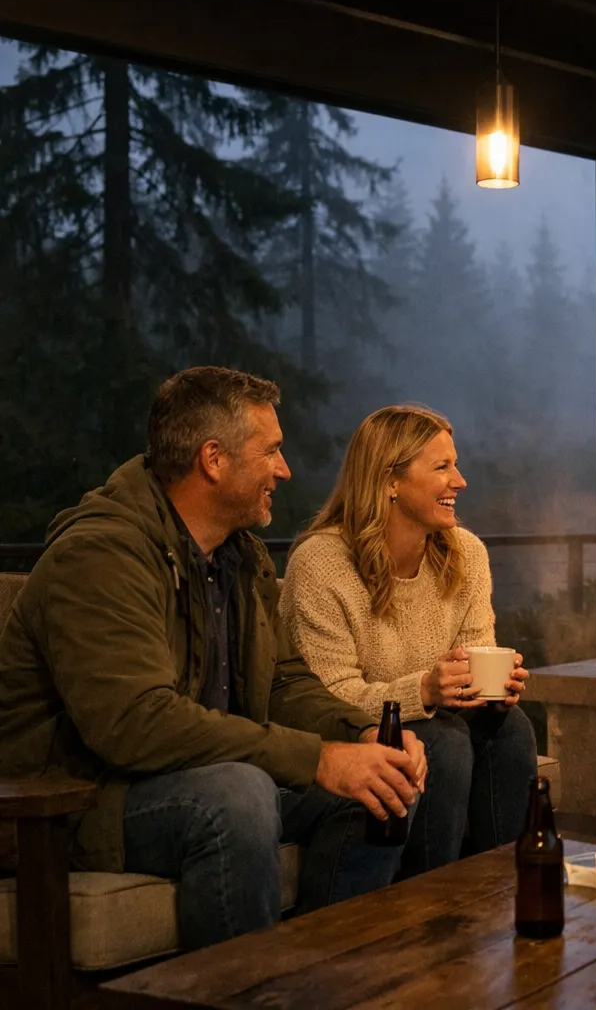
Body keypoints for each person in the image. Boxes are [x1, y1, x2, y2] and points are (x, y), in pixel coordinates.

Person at [0, 367, 427, 950]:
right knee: (237, 795)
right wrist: (318, 757)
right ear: (213, 459)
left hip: (196, 775)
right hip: (75, 799)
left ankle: (327, 973)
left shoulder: (239, 557)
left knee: (383, 783)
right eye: (271, 451)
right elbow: (136, 724)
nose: (284, 469)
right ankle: (248, 989)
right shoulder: (100, 556)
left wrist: (364, 735)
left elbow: (283, 684)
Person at [280, 404, 537, 878]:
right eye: (442, 467)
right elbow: (322, 697)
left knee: (511, 726)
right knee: (444, 741)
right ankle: (430, 904)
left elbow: (475, 655)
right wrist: (422, 691)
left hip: (437, 723)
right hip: (345, 739)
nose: (459, 481)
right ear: (389, 481)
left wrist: (493, 692)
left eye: (456, 465)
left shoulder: (466, 554)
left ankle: (508, 890)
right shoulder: (322, 564)